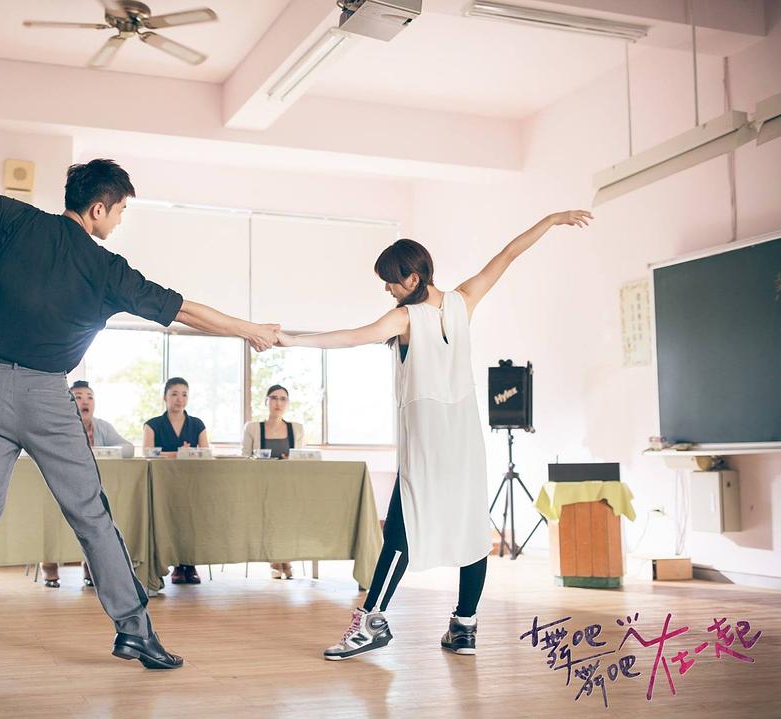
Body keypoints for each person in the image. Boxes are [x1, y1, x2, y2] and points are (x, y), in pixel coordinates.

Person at [0, 80, 279, 682]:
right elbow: (183, 309)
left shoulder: (12, 221)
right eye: (120, 211)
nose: (119, 221)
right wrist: (248, 329)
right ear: (98, 209)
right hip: (49, 397)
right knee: (91, 516)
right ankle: (136, 633)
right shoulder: (106, 269)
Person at [276, 210, 591, 660]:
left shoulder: (405, 318)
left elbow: (352, 337)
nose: (387, 289)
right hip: (465, 443)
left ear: (413, 277)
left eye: (391, 282)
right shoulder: (464, 299)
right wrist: (553, 219)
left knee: (400, 535)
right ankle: (464, 627)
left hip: (427, 444)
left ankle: (371, 624)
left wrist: (293, 341)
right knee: (471, 532)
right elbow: (508, 255)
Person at [41, 380, 133, 590]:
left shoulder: (102, 427)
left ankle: (90, 564)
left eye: (90, 397)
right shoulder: (55, 424)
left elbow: (128, 449)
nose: (85, 401)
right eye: (79, 397)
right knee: (52, 514)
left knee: (99, 515)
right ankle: (49, 563)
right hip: (59, 484)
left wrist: (100, 451)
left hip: (90, 486)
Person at [143, 377, 208, 585]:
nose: (180, 399)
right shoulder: (153, 424)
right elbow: (148, 453)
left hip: (191, 482)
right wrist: (180, 453)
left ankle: (189, 564)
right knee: (166, 521)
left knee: (190, 522)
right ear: (165, 397)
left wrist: (176, 454)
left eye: (184, 394)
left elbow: (205, 453)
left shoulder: (197, 424)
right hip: (162, 482)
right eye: (174, 394)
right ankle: (171, 565)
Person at [242, 384, 306, 579]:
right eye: (274, 398)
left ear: (287, 403)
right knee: (269, 513)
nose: (278, 402)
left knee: (287, 515)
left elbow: (301, 458)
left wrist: (290, 460)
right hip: (261, 485)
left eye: (283, 399)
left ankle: (286, 557)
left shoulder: (297, 428)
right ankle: (275, 559)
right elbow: (245, 457)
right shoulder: (253, 427)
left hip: (288, 485)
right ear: (266, 401)